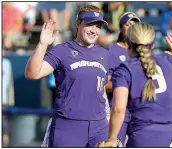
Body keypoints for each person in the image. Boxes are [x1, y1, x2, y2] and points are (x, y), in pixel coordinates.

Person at [25, 4, 111, 147]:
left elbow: (103, 88)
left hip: (99, 127)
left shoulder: (105, 54)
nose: (94, 30)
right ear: (78, 24)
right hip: (68, 125)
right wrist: (42, 44)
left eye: (98, 26)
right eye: (90, 24)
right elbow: (32, 74)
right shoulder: (62, 51)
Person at [97, 23, 172, 147]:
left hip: (144, 138)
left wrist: (111, 140)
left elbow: (119, 109)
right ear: (153, 44)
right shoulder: (171, 62)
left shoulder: (125, 70)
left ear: (128, 44)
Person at [106, 12, 141, 147]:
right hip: (119, 113)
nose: (132, 27)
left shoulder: (144, 51)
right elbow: (104, 84)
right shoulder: (113, 51)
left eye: (136, 24)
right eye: (128, 24)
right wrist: (124, 87)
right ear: (121, 29)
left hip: (140, 113)